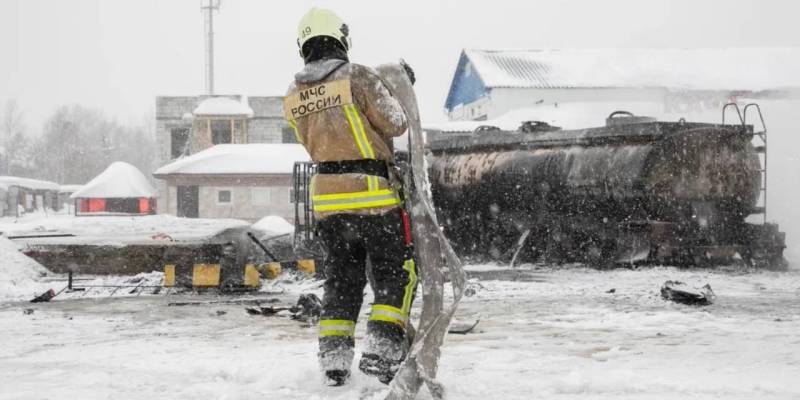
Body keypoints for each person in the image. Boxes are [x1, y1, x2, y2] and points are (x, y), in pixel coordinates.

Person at [283, 8, 418, 386]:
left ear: (303, 45)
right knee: (397, 273)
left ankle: (334, 359)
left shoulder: (292, 94)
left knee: (342, 279)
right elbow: (396, 122)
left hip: (326, 201)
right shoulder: (357, 76)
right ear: (340, 38)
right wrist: (400, 86)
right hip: (373, 194)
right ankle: (381, 350)